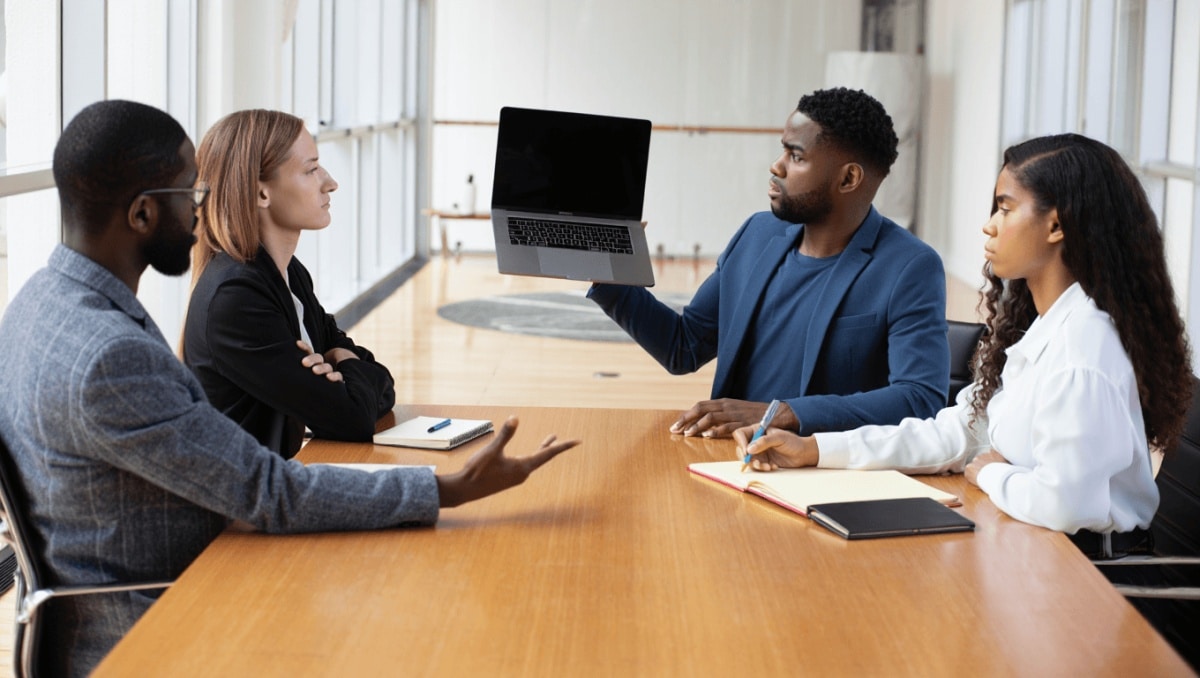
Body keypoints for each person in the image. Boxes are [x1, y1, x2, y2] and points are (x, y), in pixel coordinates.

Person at [0, 100, 579, 677]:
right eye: (190, 193)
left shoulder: (37, 303)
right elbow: (269, 490)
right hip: (160, 619)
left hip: (169, 577)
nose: (201, 207)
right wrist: (449, 488)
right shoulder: (113, 356)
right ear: (143, 214)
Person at [735, 133, 1193, 541]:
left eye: (1005, 208)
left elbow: (1066, 505)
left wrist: (993, 474)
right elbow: (956, 433)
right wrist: (814, 449)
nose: (989, 225)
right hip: (1027, 546)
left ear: (1056, 226)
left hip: (1086, 575)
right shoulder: (1050, 327)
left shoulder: (1082, 350)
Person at [588, 87, 949, 438]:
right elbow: (683, 346)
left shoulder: (910, 267)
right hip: (730, 460)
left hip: (820, 467)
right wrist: (611, 271)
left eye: (796, 156)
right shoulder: (757, 234)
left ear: (848, 178)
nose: (776, 166)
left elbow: (920, 398)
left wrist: (784, 414)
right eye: (783, 150)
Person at [183, 109, 391, 458]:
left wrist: (341, 361)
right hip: (242, 491)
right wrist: (345, 361)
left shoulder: (289, 273)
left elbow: (382, 388)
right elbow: (354, 417)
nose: (330, 182)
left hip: (280, 477)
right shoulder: (237, 299)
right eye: (311, 170)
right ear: (261, 194)